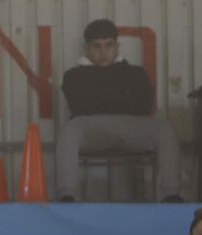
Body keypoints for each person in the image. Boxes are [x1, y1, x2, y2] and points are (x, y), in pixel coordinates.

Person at [58, 19, 183, 200]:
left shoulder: (136, 72)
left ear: (117, 47)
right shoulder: (73, 75)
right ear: (87, 49)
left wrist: (99, 99)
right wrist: (122, 98)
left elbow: (143, 107)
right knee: (69, 130)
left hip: (130, 127)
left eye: (109, 45)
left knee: (165, 128)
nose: (103, 52)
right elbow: (80, 105)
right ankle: (67, 196)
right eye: (96, 46)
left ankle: (171, 196)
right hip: (93, 128)